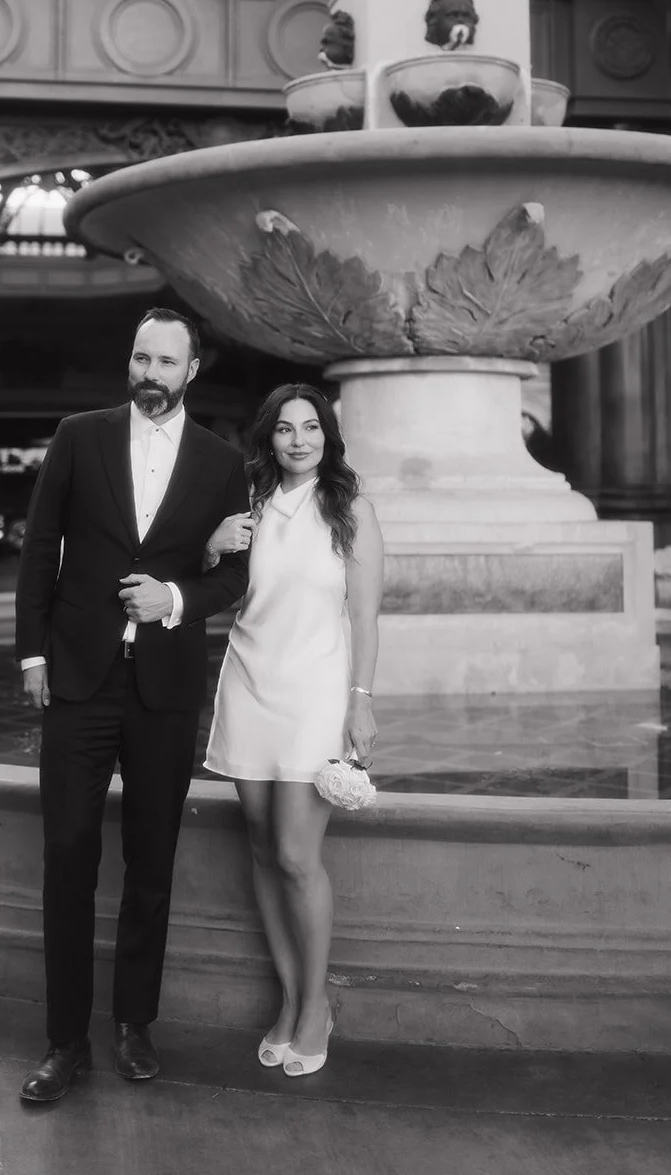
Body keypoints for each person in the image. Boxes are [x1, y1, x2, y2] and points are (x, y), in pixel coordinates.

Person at [15, 307, 251, 1106]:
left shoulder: (224, 464)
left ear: (192, 371)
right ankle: (63, 1041)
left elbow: (232, 577)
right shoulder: (79, 434)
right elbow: (39, 544)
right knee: (68, 861)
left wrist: (176, 597)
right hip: (78, 681)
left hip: (163, 689)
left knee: (151, 864)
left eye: (164, 362)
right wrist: (33, 653)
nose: (149, 373)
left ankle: (133, 1026)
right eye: (139, 359)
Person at [204, 383, 383, 1079]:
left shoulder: (350, 509)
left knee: (294, 854)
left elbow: (364, 617)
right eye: (285, 429)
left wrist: (360, 700)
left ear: (326, 437)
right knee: (258, 847)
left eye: (311, 427)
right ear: (268, 438)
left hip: (315, 692)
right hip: (248, 685)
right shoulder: (245, 506)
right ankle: (287, 1001)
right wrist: (209, 545)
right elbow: (212, 590)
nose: (299, 439)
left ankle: (316, 1008)